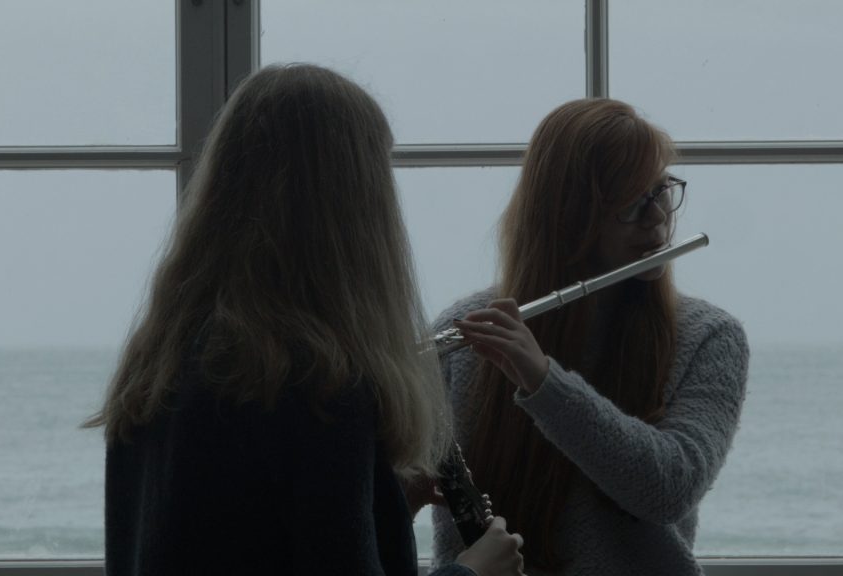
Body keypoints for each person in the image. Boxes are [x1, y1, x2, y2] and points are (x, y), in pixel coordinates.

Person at [85, 63, 525, 576]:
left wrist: (382, 503)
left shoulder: (161, 360)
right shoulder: (319, 381)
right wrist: (475, 569)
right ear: (354, 210)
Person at [428, 99, 749, 576]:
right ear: (567, 216)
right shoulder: (467, 333)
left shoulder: (708, 337)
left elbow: (668, 491)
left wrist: (543, 381)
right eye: (630, 203)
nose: (657, 220)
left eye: (660, 191)